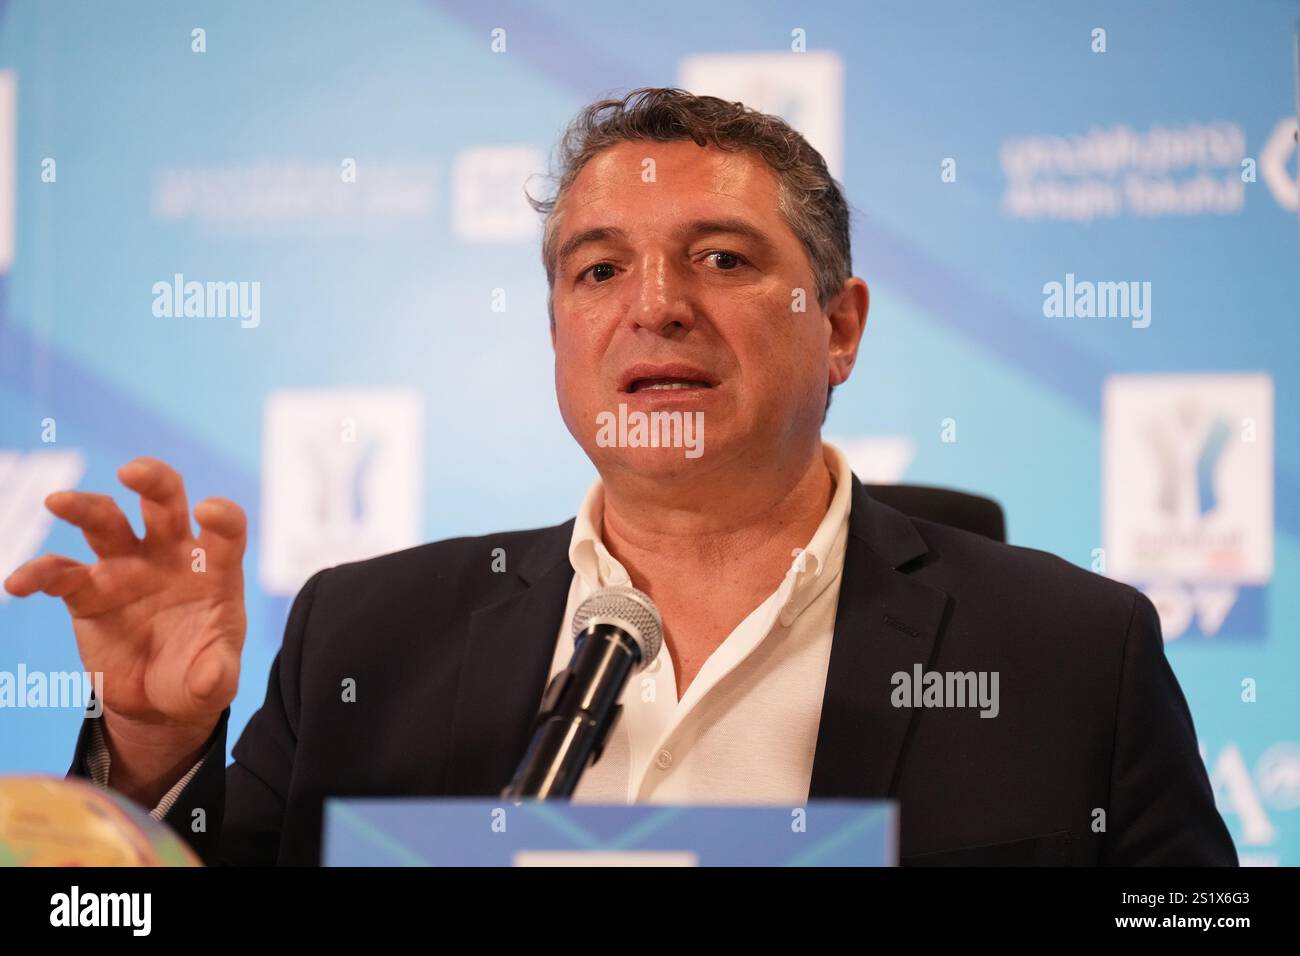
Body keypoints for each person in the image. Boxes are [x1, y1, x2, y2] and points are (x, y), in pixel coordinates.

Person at [4, 88, 1236, 866]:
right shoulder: (365, 633)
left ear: (840, 326)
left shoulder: (1074, 650)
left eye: (720, 256)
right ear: (556, 336)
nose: (656, 307)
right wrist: (155, 753)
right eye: (598, 270)